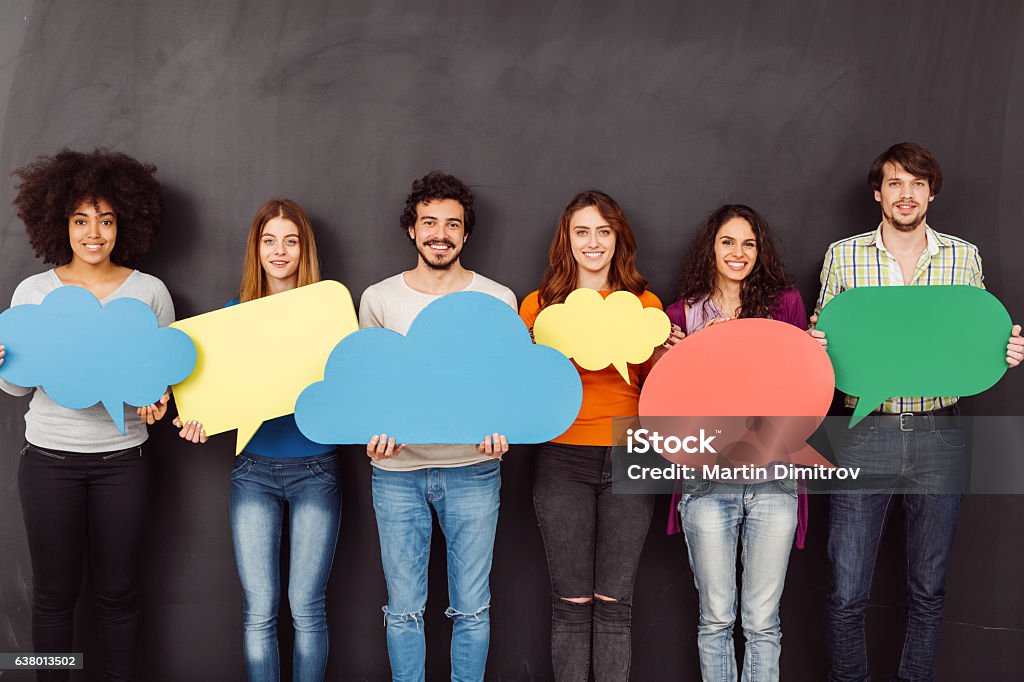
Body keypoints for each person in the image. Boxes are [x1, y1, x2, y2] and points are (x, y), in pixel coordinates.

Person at [808, 142, 1024, 681]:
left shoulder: (963, 256)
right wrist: (814, 346)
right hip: (863, 433)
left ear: (932, 192)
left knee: (928, 588)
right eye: (895, 184)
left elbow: (975, 340)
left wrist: (1005, 350)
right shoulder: (843, 256)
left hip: (940, 434)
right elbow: (826, 335)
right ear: (878, 193)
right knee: (846, 588)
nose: (906, 195)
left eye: (917, 184)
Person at [0, 148, 171, 681]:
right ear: (60, 223)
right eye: (80, 219)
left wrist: (159, 404)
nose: (93, 232)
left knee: (119, 594)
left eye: (105, 219)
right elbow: (13, 388)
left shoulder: (149, 292)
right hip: (49, 462)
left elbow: (159, 390)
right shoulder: (34, 292)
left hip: (124, 462)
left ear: (125, 223)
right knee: (53, 596)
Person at [169, 198, 340, 682]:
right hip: (253, 471)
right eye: (269, 241)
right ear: (256, 249)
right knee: (260, 609)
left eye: (291, 240)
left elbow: (346, 388)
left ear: (303, 249)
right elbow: (210, 402)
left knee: (306, 606)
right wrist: (197, 422)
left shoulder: (326, 314)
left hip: (316, 470)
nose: (279, 251)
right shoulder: (231, 317)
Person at [359, 171, 514, 682]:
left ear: (466, 234)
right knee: (403, 610)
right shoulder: (379, 299)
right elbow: (371, 385)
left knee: (472, 608)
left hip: (474, 469)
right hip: (396, 473)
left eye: (452, 224)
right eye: (429, 223)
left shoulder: (498, 298)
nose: (440, 234)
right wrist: (374, 429)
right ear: (412, 229)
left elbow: (503, 383)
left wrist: (501, 426)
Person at [659, 204, 806, 682]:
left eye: (748, 243)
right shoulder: (681, 315)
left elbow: (804, 390)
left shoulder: (785, 305)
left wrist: (807, 353)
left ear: (759, 250)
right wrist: (672, 359)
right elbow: (668, 407)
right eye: (727, 242)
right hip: (706, 482)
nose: (738, 253)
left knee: (763, 622)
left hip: (773, 478)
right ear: (711, 248)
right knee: (716, 618)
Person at [519, 190, 660, 682]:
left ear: (618, 238)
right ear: (568, 239)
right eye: (582, 231)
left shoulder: (645, 304)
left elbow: (658, 390)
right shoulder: (538, 307)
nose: (593, 242)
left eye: (604, 231)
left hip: (631, 453)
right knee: (572, 602)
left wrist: (668, 354)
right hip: (563, 458)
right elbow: (524, 389)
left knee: (615, 604)